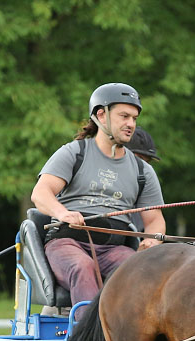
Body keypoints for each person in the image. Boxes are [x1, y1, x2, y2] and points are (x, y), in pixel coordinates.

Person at [30, 83, 166, 315]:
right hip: (68, 243)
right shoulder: (74, 152)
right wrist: (63, 213)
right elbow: (40, 194)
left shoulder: (143, 171)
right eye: (124, 116)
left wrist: (153, 240)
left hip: (113, 248)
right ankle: (90, 340)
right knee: (84, 266)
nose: (131, 124)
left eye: (134, 118)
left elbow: (154, 221)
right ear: (101, 115)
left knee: (138, 270)